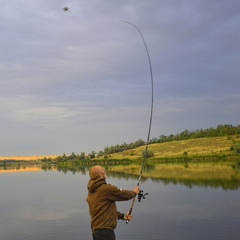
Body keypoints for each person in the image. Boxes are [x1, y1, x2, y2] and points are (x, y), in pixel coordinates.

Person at [86, 165, 139, 240]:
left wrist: (123, 216)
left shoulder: (91, 193)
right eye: (103, 170)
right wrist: (134, 192)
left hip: (96, 232)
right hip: (105, 233)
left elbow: (104, 211)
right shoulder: (106, 189)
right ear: (101, 174)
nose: (105, 171)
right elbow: (124, 195)